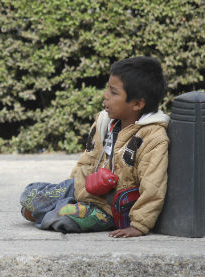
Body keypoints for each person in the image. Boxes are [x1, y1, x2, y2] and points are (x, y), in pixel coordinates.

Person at [20, 56, 169, 238]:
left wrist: (139, 224)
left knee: (61, 218)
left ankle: (55, 209)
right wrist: (74, 188)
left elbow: (153, 186)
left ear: (137, 104)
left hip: (106, 208)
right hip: (82, 188)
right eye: (108, 88)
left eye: (113, 92)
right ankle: (60, 204)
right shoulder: (104, 122)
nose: (105, 95)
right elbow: (88, 158)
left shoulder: (153, 138)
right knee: (29, 193)